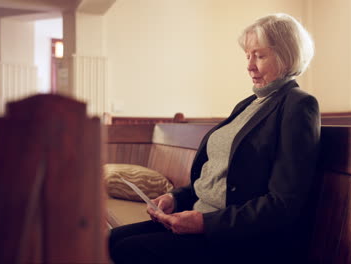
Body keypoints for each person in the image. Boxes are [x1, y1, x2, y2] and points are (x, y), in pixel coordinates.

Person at [109, 13, 320, 264]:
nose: (250, 66)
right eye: (248, 56)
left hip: (237, 238)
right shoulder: (250, 104)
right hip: (199, 219)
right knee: (111, 240)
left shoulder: (298, 105)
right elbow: (216, 177)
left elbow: (283, 204)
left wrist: (205, 223)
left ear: (287, 56)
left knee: (127, 250)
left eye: (260, 56)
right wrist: (175, 198)